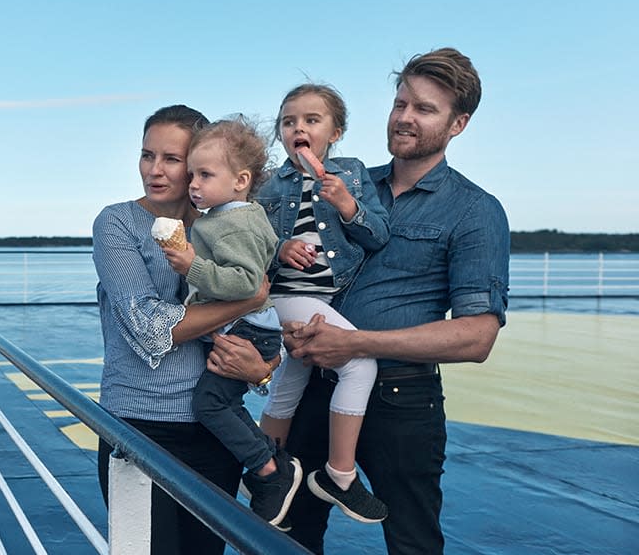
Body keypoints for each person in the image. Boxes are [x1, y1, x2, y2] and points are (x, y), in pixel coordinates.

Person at [281, 48, 510, 554]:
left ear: (459, 124)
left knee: (412, 541)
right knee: (287, 535)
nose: (405, 117)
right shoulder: (343, 183)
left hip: (402, 400)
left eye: (424, 109)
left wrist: (355, 343)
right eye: (400, 102)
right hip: (313, 385)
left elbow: (477, 336)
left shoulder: (475, 211)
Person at [93, 105, 281, 554]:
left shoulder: (230, 226)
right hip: (137, 429)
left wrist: (263, 369)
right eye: (146, 155)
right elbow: (149, 328)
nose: (154, 171)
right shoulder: (117, 223)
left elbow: (266, 321)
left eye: (172, 159)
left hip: (215, 430)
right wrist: (249, 296)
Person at [254, 84, 391, 524]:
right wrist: (280, 248)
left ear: (336, 132)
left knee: (290, 380)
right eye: (289, 121)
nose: (299, 127)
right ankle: (340, 475)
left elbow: (378, 236)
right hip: (283, 297)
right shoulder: (269, 185)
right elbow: (248, 246)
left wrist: (348, 206)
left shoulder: (350, 174)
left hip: (324, 299)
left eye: (312, 120)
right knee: (361, 363)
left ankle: (265, 471)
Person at [158, 117, 302, 529]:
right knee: (224, 401)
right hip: (252, 325)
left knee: (209, 403)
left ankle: (270, 472)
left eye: (205, 175)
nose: (194, 185)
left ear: (241, 180)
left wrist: (192, 265)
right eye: (191, 176)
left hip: (248, 329)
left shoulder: (231, 222)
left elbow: (244, 284)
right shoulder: (244, 215)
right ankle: (268, 460)